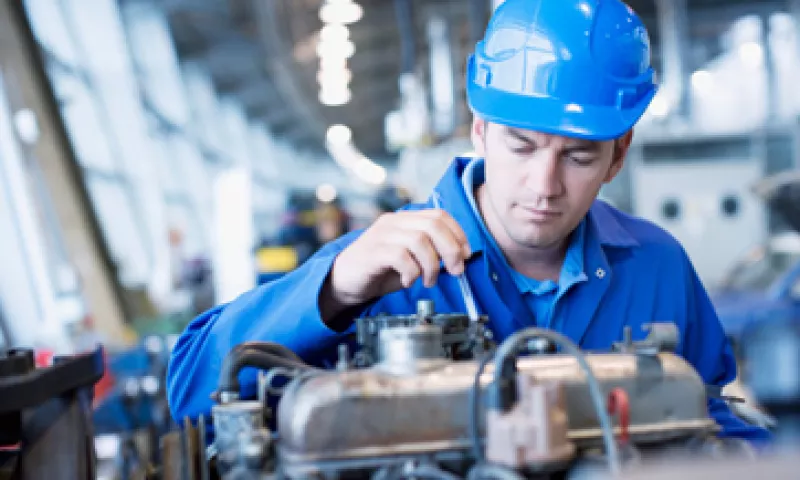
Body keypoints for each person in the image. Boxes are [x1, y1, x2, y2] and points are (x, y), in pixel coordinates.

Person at [167, 0, 769, 443]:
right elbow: (191, 391)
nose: (544, 184)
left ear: (618, 155)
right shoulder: (382, 272)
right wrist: (334, 288)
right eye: (521, 146)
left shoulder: (657, 265)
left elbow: (711, 413)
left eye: (579, 155)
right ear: (480, 130)